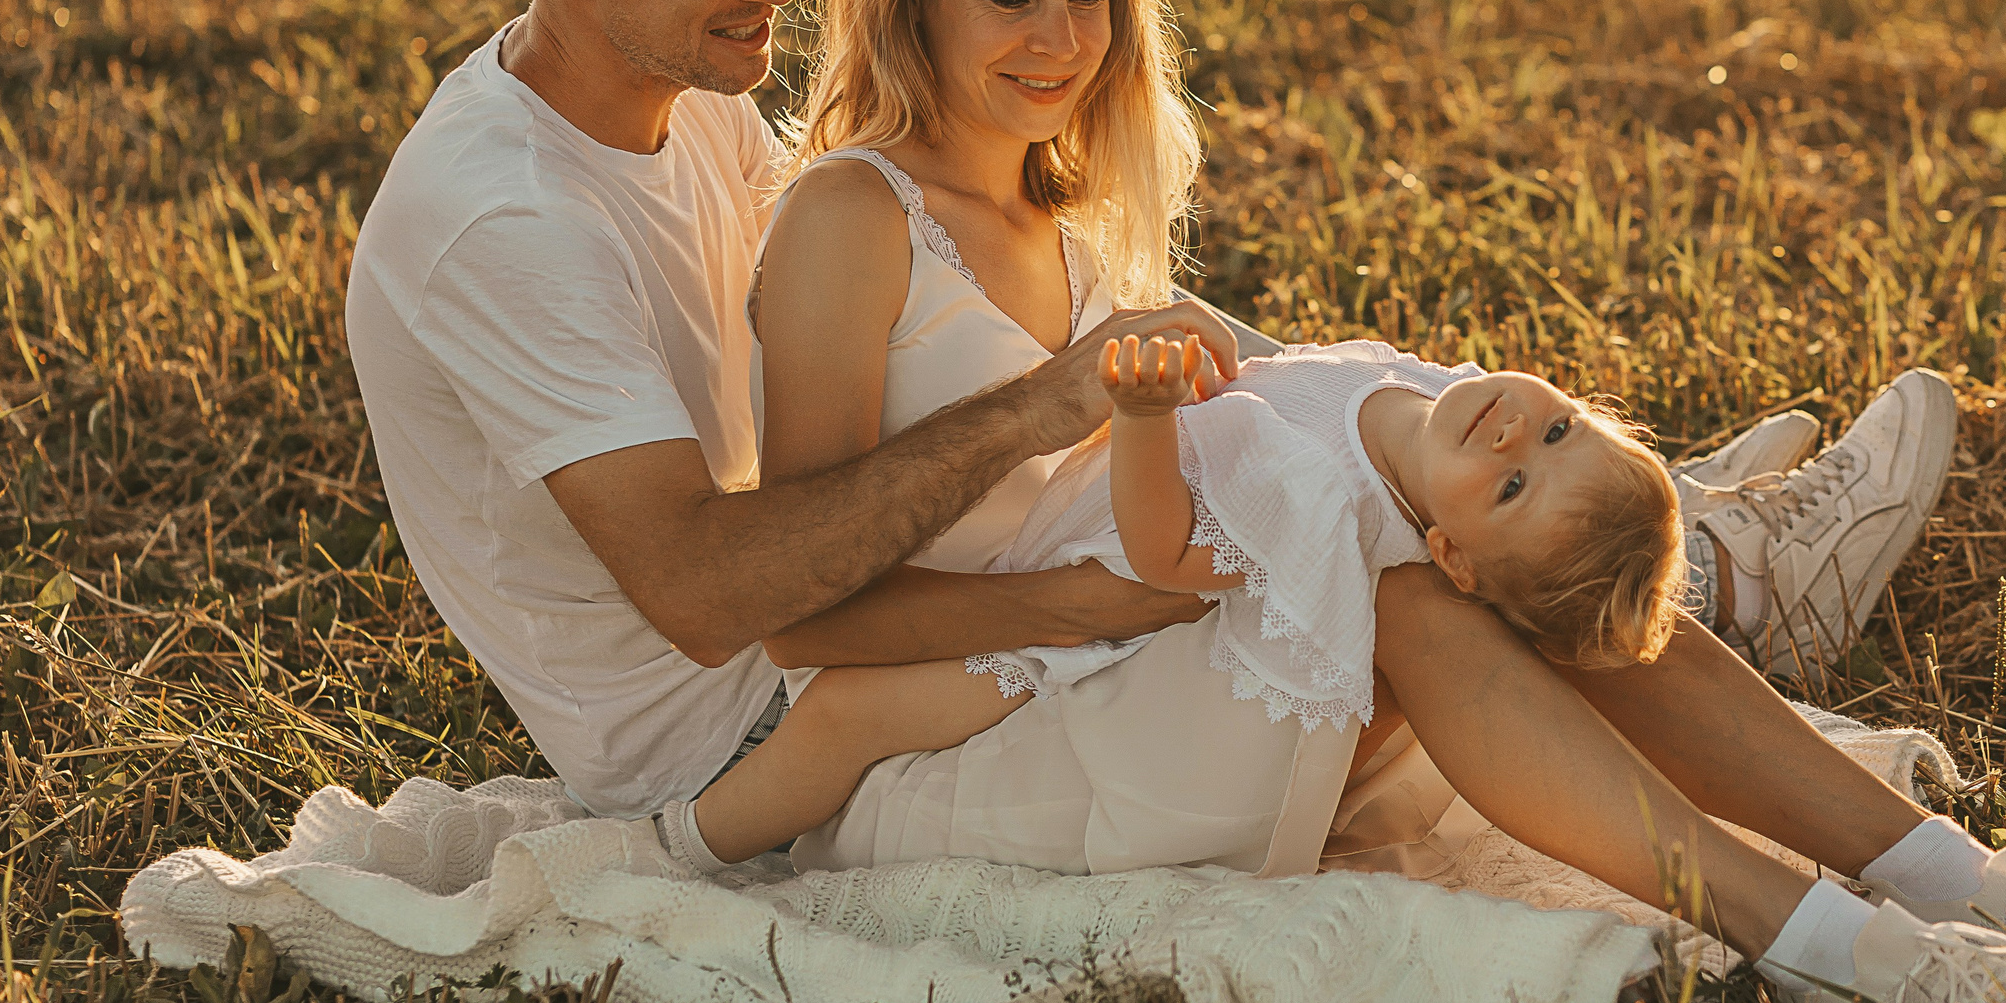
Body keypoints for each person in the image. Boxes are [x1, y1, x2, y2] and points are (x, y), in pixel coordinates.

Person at [343, 0, 2006, 1003]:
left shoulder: (699, 101)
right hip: (773, 733)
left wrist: (1253, 426)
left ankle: (1926, 860)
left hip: (981, 628)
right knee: (1407, 591)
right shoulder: (508, 220)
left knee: (1372, 501)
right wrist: (1084, 513)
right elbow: (730, 591)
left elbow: (979, 355)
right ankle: (1826, 930)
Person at [679, 333, 1685, 865]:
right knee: (847, 699)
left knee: (847, 714)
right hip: (1046, 548)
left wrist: (1145, 418)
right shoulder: (1417, 400)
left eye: (1510, 492)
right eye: (1561, 436)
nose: (1517, 440)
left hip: (1085, 648)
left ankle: (692, 852)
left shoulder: (1321, 512)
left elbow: (1161, 557)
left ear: (1451, 560)